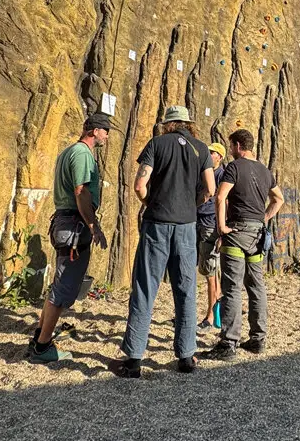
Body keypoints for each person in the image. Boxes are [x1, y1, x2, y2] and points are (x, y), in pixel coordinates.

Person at [109, 105, 215, 378]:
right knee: (186, 290)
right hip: (187, 226)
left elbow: (138, 185)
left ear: (168, 123)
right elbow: (211, 189)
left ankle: (133, 360)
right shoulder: (201, 149)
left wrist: (150, 202)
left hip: (157, 223)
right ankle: (186, 356)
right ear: (188, 124)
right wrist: (192, 204)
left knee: (145, 289)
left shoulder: (157, 144)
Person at [28, 112, 110, 364]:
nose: (107, 135)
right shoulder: (83, 154)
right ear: (94, 131)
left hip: (64, 222)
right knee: (63, 289)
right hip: (74, 224)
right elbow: (81, 190)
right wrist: (93, 224)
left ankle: (39, 336)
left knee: (59, 283)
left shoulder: (68, 152)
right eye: (105, 130)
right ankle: (42, 347)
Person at [203, 128, 284, 361]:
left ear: (238, 146)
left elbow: (220, 197)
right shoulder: (264, 170)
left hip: (236, 233)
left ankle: (229, 342)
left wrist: (221, 227)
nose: (230, 151)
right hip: (257, 236)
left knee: (232, 287)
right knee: (256, 286)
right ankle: (258, 339)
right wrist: (264, 218)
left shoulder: (234, 167)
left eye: (231, 146)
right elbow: (278, 199)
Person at [197, 142, 226, 330]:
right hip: (195, 221)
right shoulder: (202, 171)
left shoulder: (223, 175)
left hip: (210, 225)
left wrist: (222, 229)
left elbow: (225, 202)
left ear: (220, 157)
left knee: (211, 273)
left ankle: (210, 316)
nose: (208, 154)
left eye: (212, 152)